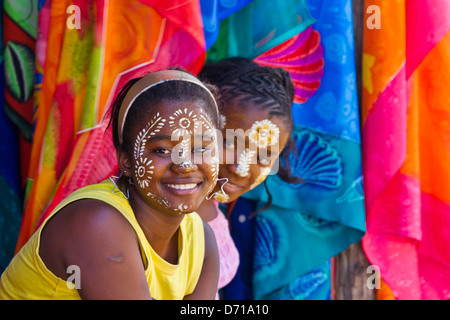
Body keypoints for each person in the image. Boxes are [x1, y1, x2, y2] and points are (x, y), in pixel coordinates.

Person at [0, 69, 221, 300]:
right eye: (162, 150)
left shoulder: (202, 240)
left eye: (201, 148)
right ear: (126, 161)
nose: (185, 165)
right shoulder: (95, 224)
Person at [197, 57, 302, 299]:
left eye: (263, 158)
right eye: (229, 142)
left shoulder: (212, 211)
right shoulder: (164, 213)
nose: (240, 168)